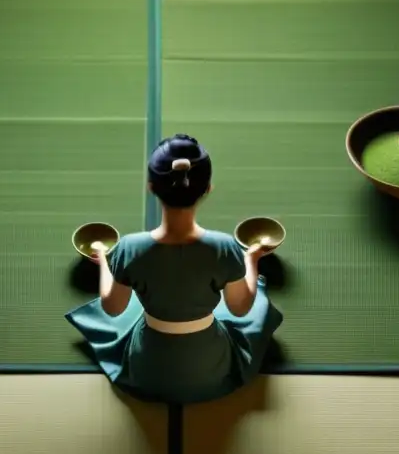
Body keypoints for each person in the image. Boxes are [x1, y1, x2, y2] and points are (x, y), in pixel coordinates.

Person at [65, 133, 284, 404]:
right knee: (257, 307)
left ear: (151, 187)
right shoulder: (225, 247)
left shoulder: (129, 247)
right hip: (209, 369)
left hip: (147, 369)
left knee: (131, 309)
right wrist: (249, 260)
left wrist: (105, 262)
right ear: (207, 189)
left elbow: (112, 308)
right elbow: (240, 308)